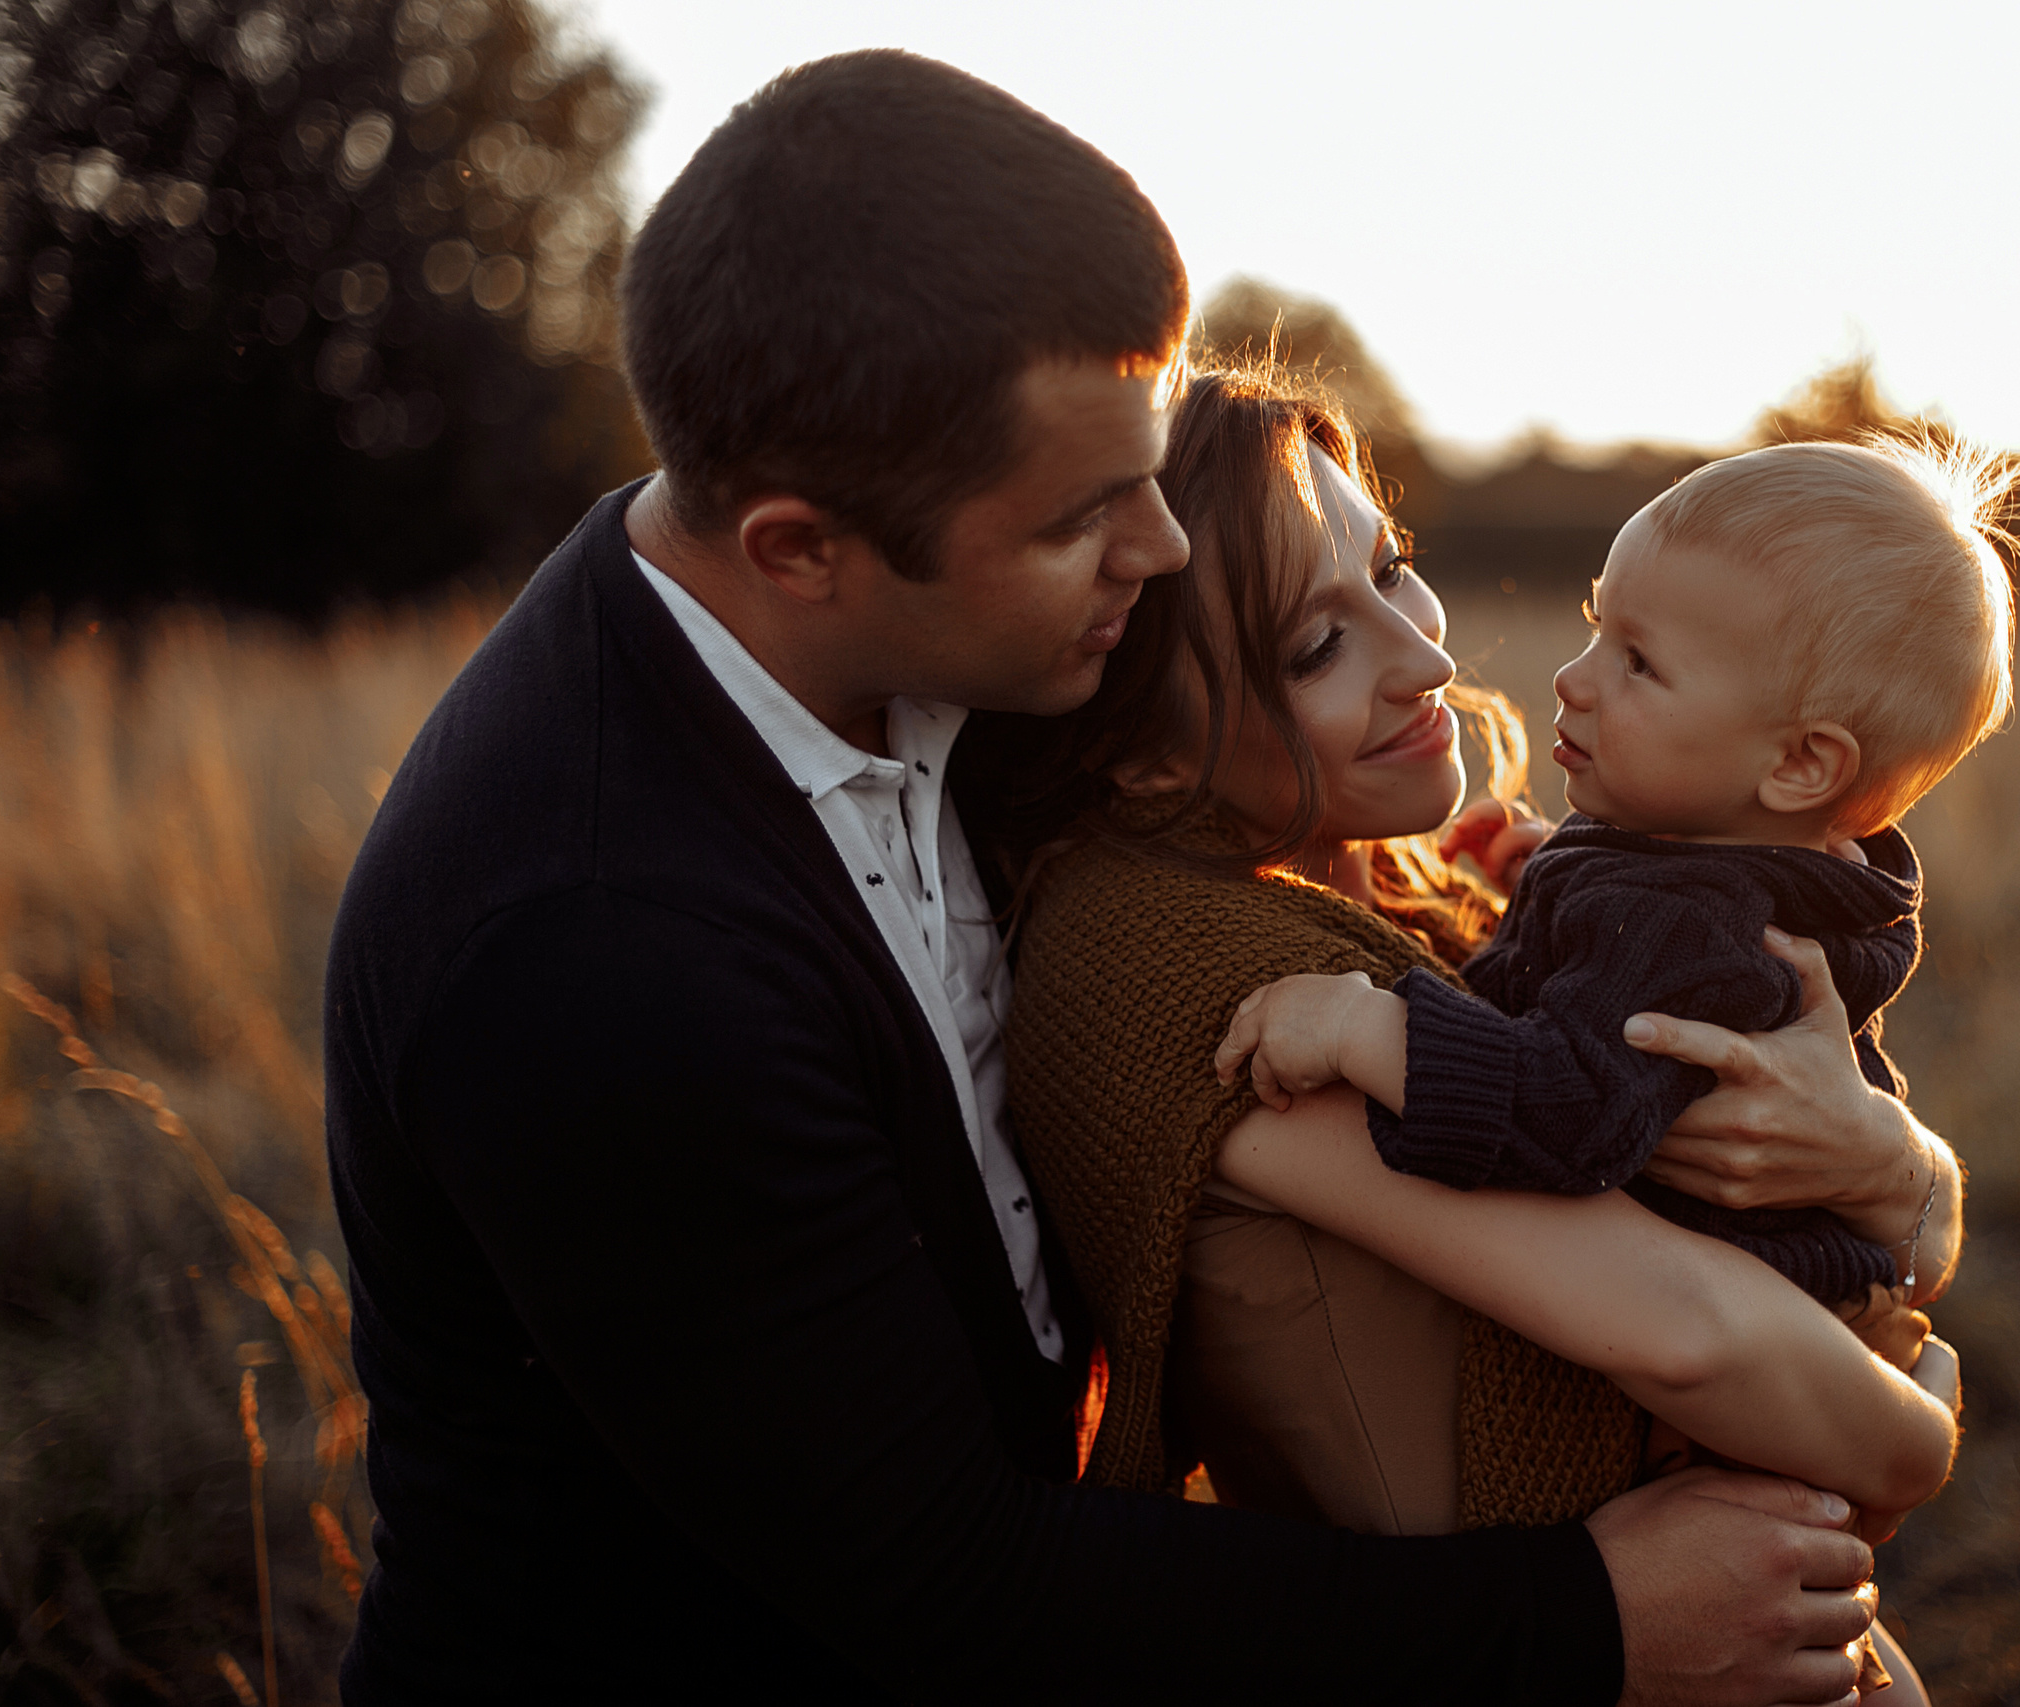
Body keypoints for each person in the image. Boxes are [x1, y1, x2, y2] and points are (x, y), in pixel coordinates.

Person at [325, 50, 1899, 1706]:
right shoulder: (597, 953)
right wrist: (1583, 1617)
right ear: (802, 548)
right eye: (1086, 518)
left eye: (1150, 468)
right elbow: (945, 1581)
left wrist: (1895, 1162)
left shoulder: (914, 645)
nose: (1156, 555)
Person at [984, 371, 1968, 1701]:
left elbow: (1853, 1201)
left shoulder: (1423, 883)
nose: (1428, 655)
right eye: (1318, 644)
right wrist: (1920, 1435)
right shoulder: (1192, 970)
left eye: (1391, 569)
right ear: (1150, 752)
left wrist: (1895, 1162)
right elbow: (1694, 1330)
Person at [1215, 438, 2020, 1374]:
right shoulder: (1709, 872)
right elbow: (1627, 982)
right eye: (1598, 625)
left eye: (1638, 662)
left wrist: (1360, 1026)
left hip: (1729, 1381)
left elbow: (1564, 1111)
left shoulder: (1694, 925)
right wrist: (1555, 883)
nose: (1574, 677)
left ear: (1802, 764)